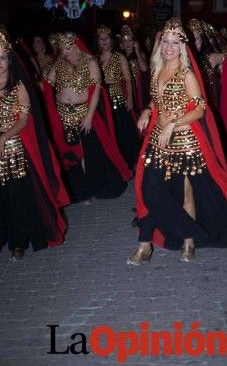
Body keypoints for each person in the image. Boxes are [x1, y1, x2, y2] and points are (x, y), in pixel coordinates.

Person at [127, 18, 227, 265]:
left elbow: (201, 109)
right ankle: (145, 243)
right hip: (159, 141)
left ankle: (188, 241)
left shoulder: (187, 73)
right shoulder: (157, 70)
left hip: (185, 142)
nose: (169, 47)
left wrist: (173, 123)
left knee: (187, 194)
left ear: (182, 46)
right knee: (148, 189)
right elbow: (156, 101)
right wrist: (147, 111)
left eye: (175, 42)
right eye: (166, 42)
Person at [0, 26, 69, 260]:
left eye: (2, 57)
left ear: (9, 59)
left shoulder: (17, 86)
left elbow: (24, 120)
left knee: (17, 196)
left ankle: (18, 241)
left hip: (16, 151)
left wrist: (4, 137)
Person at [43, 31, 131, 203]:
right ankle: (81, 190)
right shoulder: (60, 62)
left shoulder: (90, 61)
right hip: (63, 114)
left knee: (87, 152)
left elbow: (96, 89)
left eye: (67, 48)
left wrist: (89, 116)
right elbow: (47, 83)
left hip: (83, 113)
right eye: (62, 48)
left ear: (75, 45)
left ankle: (93, 185)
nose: (64, 51)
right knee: (71, 153)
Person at [188, 19, 227, 188]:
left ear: (202, 40)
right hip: (190, 110)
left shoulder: (209, 58)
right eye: (191, 39)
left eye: (197, 39)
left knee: (216, 145)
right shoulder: (183, 63)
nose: (195, 43)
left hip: (210, 109)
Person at [96, 24, 141, 170]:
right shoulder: (95, 59)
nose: (105, 42)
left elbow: (128, 79)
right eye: (101, 39)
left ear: (111, 41)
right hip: (102, 99)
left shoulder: (119, 57)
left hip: (118, 98)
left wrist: (130, 99)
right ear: (98, 42)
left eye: (107, 39)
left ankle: (128, 160)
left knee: (122, 131)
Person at [120, 25, 149, 116]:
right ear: (121, 45)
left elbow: (144, 68)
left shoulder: (141, 54)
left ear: (134, 42)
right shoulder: (119, 58)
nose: (127, 43)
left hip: (139, 88)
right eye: (125, 41)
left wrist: (137, 51)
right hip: (126, 89)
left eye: (130, 40)